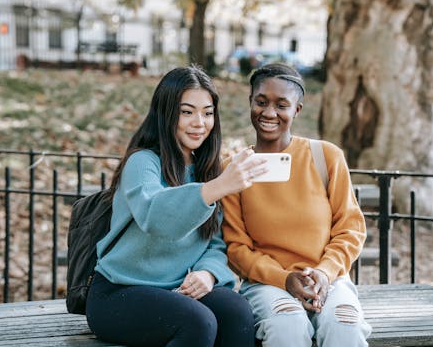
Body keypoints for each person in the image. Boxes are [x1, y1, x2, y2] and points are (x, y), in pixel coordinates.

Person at [86, 65, 266, 347]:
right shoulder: (143, 162)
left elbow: (215, 243)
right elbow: (156, 218)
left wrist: (208, 274)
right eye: (187, 112)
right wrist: (217, 187)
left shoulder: (207, 170)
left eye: (207, 113)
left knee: (236, 310)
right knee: (198, 321)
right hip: (119, 292)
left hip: (178, 289)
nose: (199, 122)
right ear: (166, 113)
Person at [221, 63, 372, 347]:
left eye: (281, 105)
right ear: (250, 103)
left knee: (344, 327)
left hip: (329, 280)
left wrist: (325, 273)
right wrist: (284, 278)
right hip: (267, 284)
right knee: (287, 326)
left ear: (297, 110)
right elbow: (236, 248)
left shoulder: (326, 157)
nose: (269, 113)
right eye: (261, 102)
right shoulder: (234, 170)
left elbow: (350, 229)